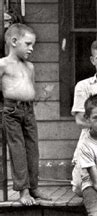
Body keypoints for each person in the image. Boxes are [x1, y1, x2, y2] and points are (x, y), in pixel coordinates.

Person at [0, 23, 50, 205]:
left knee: (32, 149)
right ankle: (23, 191)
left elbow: (30, 88)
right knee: (18, 150)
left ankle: (34, 187)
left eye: (32, 45)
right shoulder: (2, 65)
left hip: (28, 110)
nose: (31, 48)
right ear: (14, 41)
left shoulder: (30, 66)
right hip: (11, 111)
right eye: (28, 44)